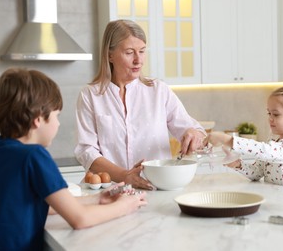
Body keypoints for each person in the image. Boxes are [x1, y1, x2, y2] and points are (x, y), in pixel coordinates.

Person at [0, 68, 147, 250]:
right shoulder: (34, 156)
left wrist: (97, 199)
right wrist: (125, 206)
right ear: (38, 119)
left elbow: (40, 205)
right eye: (56, 116)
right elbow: (80, 219)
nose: (58, 123)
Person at [75, 19, 206, 190]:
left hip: (157, 190)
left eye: (142, 51)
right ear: (110, 55)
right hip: (111, 193)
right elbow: (86, 151)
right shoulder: (90, 95)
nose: (138, 60)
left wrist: (193, 134)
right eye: (129, 52)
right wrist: (125, 176)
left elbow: (196, 132)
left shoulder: (159, 91)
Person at [206, 85, 283, 186]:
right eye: (269, 113)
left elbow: (265, 151)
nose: (270, 118)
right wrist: (238, 165)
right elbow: (257, 173)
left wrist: (225, 139)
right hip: (275, 201)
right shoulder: (275, 140)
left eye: (276, 114)